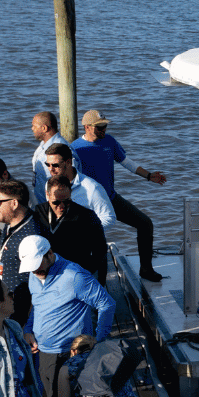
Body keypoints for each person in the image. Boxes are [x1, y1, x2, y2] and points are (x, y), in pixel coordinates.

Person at [18, 234, 117, 397]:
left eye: (39, 264)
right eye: (31, 267)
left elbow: (106, 303)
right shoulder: (32, 275)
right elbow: (35, 308)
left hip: (69, 354)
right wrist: (28, 330)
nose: (36, 271)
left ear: (50, 254)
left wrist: (99, 342)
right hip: (44, 354)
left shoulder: (75, 276)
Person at [70, 109, 167, 283]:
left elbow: (126, 162)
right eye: (99, 126)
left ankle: (146, 269)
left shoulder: (109, 141)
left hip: (111, 198)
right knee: (94, 243)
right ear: (87, 127)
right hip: (89, 205)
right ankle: (93, 282)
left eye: (105, 126)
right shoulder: (75, 149)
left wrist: (148, 175)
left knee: (145, 224)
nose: (103, 129)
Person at [35, 175, 109, 281]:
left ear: (70, 193)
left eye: (67, 201)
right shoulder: (38, 212)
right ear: (47, 195)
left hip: (77, 274)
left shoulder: (87, 216)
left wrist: (94, 277)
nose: (62, 206)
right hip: (48, 274)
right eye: (56, 202)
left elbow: (100, 250)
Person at [0, 182, 42, 323]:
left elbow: (42, 282)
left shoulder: (32, 237)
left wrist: (29, 326)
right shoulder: (10, 223)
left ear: (14, 203)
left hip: (22, 313)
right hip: (7, 309)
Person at [39, 143, 115, 224]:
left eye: (55, 165)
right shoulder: (49, 184)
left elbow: (109, 217)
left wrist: (83, 232)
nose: (50, 169)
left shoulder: (92, 188)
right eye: (48, 164)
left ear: (68, 162)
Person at [29, 111, 61, 198]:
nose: (32, 129)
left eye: (34, 126)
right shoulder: (43, 145)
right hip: (41, 201)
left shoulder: (60, 148)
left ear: (44, 128)